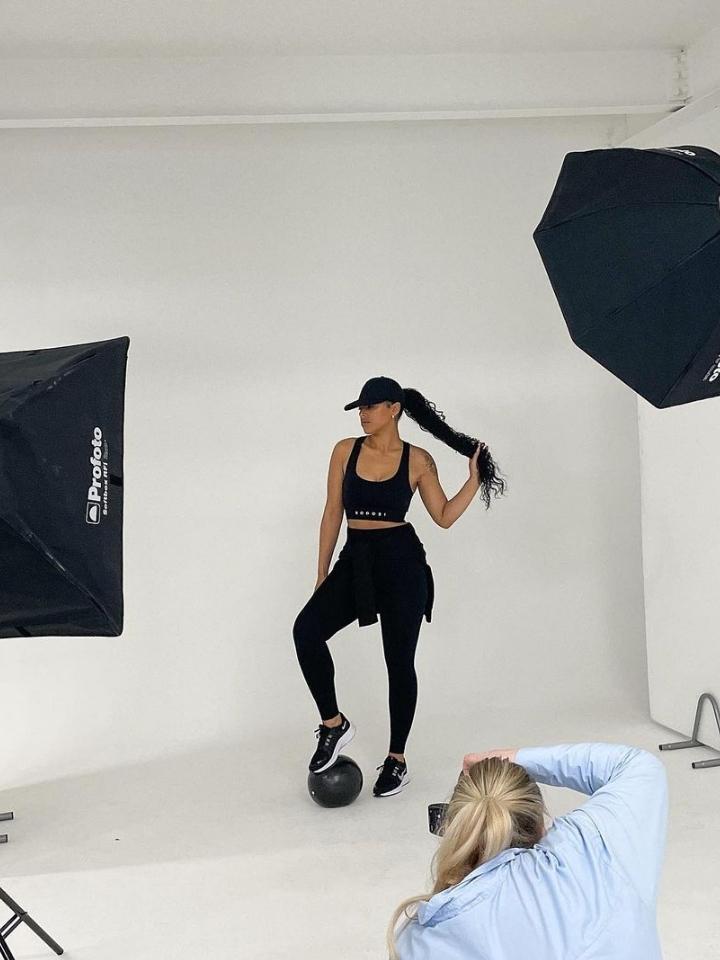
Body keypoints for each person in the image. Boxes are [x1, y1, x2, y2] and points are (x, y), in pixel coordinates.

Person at [292, 376, 505, 797]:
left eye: (371, 406)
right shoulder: (345, 450)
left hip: (402, 565)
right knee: (306, 631)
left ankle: (396, 759)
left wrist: (474, 480)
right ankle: (333, 724)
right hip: (356, 561)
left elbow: (443, 516)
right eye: (360, 407)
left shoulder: (418, 460)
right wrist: (321, 574)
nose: (363, 414)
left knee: (399, 662)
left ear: (394, 410)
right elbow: (332, 512)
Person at [387, 741, 669, 959]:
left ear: (456, 831)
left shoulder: (423, 941)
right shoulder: (593, 848)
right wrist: (517, 758)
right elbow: (636, 765)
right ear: (540, 826)